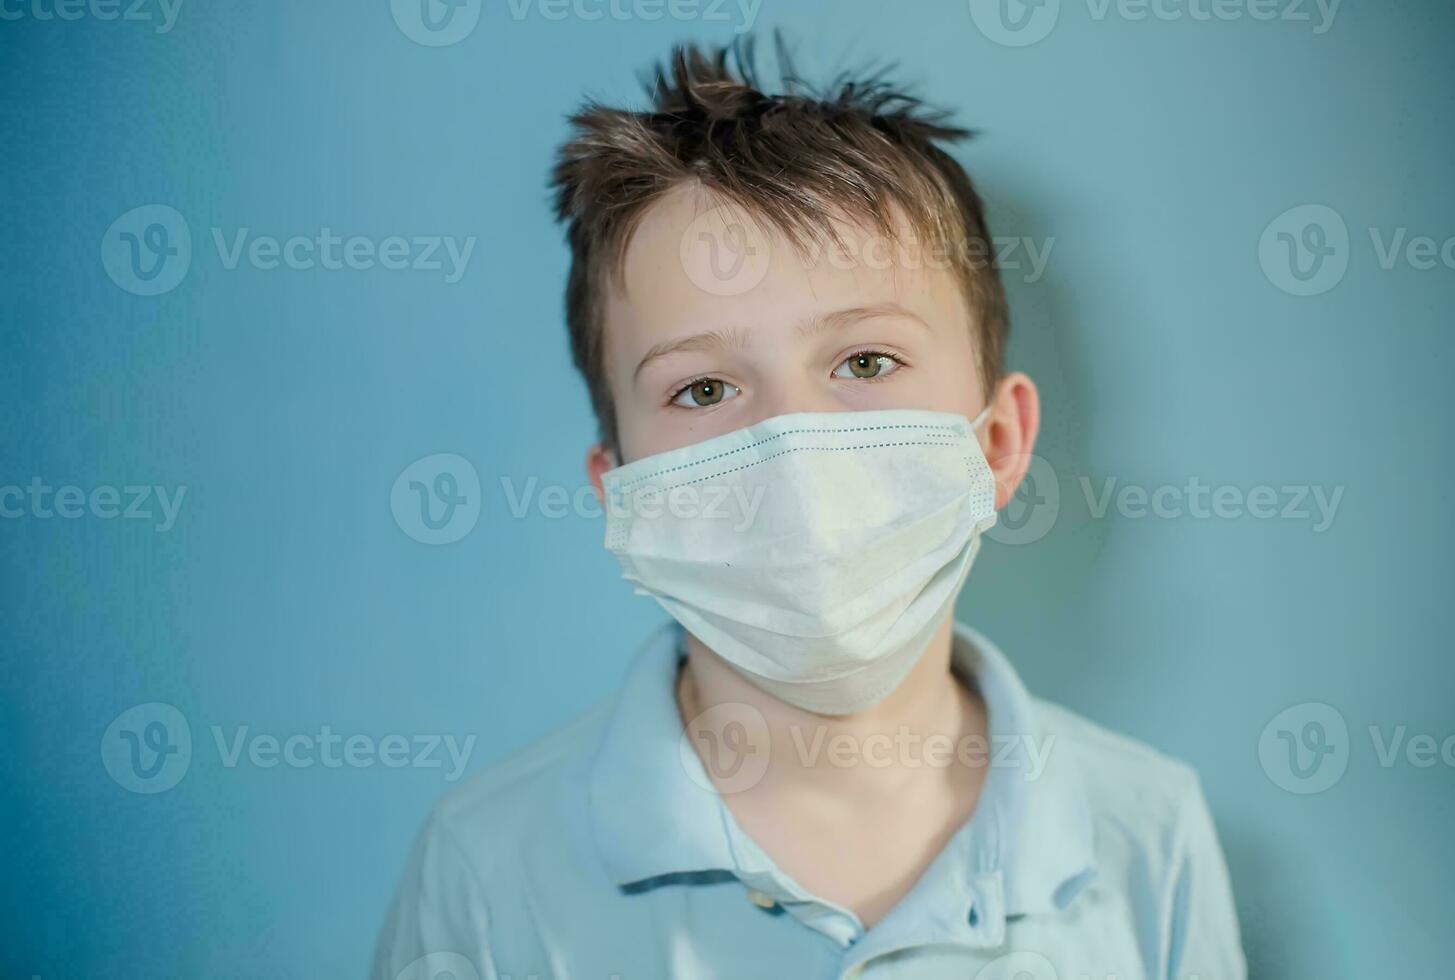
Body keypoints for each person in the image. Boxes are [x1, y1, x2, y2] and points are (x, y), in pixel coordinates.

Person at [373, 37, 1247, 980]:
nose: (793, 448)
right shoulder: (487, 869)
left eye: (865, 363)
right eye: (703, 389)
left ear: (996, 443)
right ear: (618, 490)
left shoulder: (1148, 834)